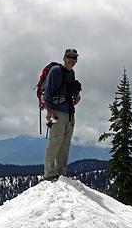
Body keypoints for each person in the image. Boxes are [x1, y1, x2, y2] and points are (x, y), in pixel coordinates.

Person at [43, 48, 81, 181]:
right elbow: (47, 93)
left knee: (65, 144)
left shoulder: (72, 73)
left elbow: (68, 92)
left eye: (74, 58)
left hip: (69, 113)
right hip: (57, 112)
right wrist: (50, 110)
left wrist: (76, 98)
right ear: (64, 58)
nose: (72, 60)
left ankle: (61, 172)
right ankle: (49, 173)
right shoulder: (55, 71)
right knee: (55, 142)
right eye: (69, 57)